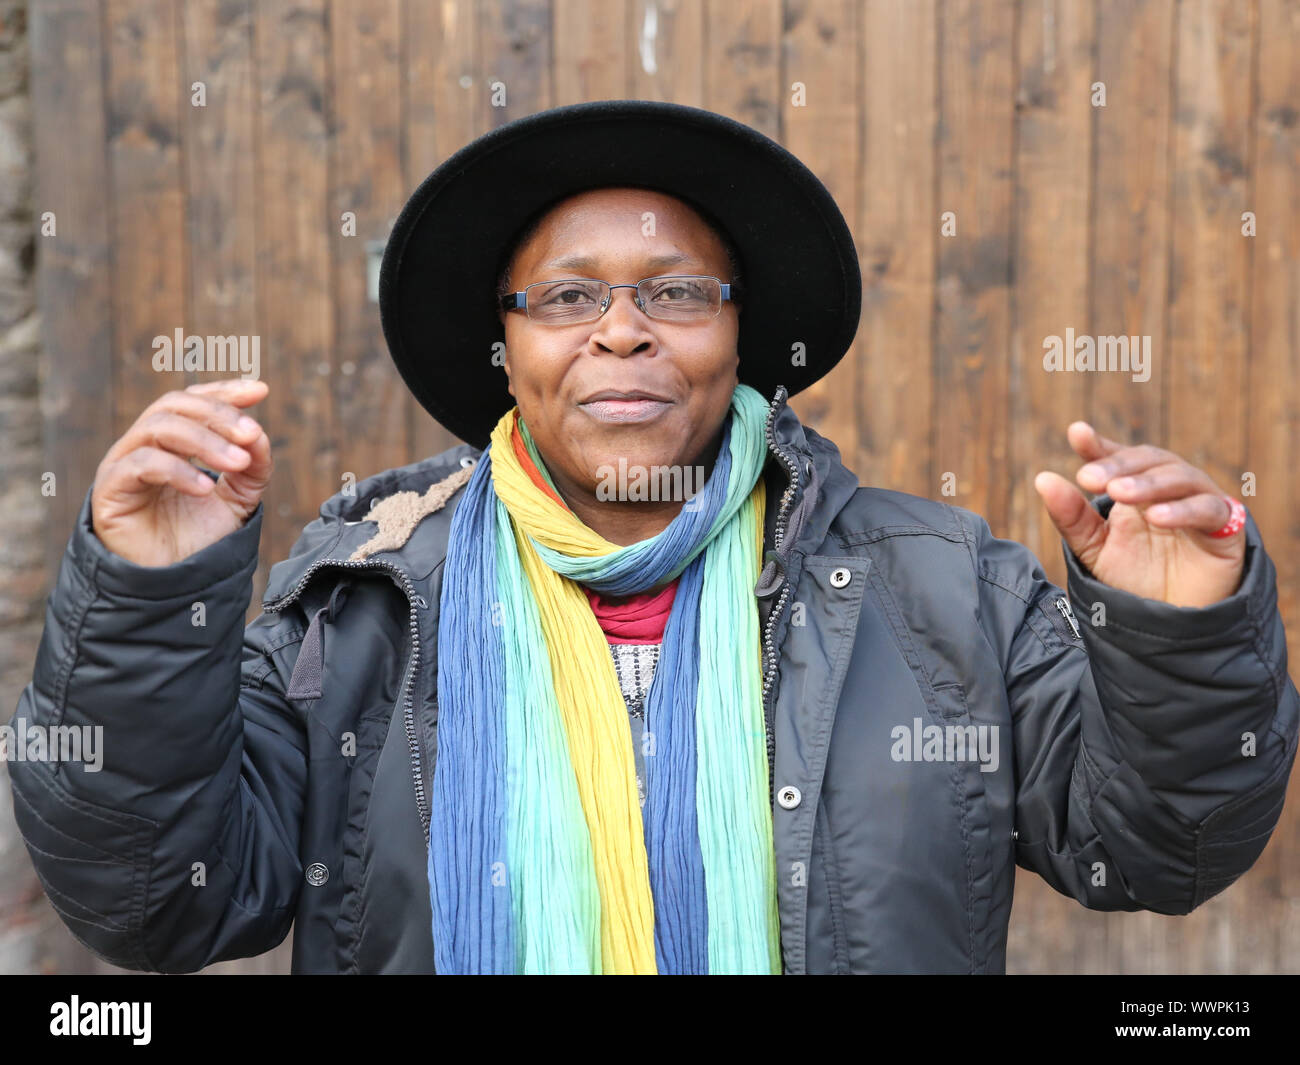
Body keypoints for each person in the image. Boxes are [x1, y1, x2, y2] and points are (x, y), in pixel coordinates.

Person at [8, 100, 1296, 975]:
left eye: (676, 291)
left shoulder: (950, 593)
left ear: (739, 337)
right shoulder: (357, 604)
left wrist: (1179, 641)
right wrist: (142, 598)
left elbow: (1156, 852)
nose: (623, 330)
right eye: (570, 296)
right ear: (505, 351)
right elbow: (155, 902)